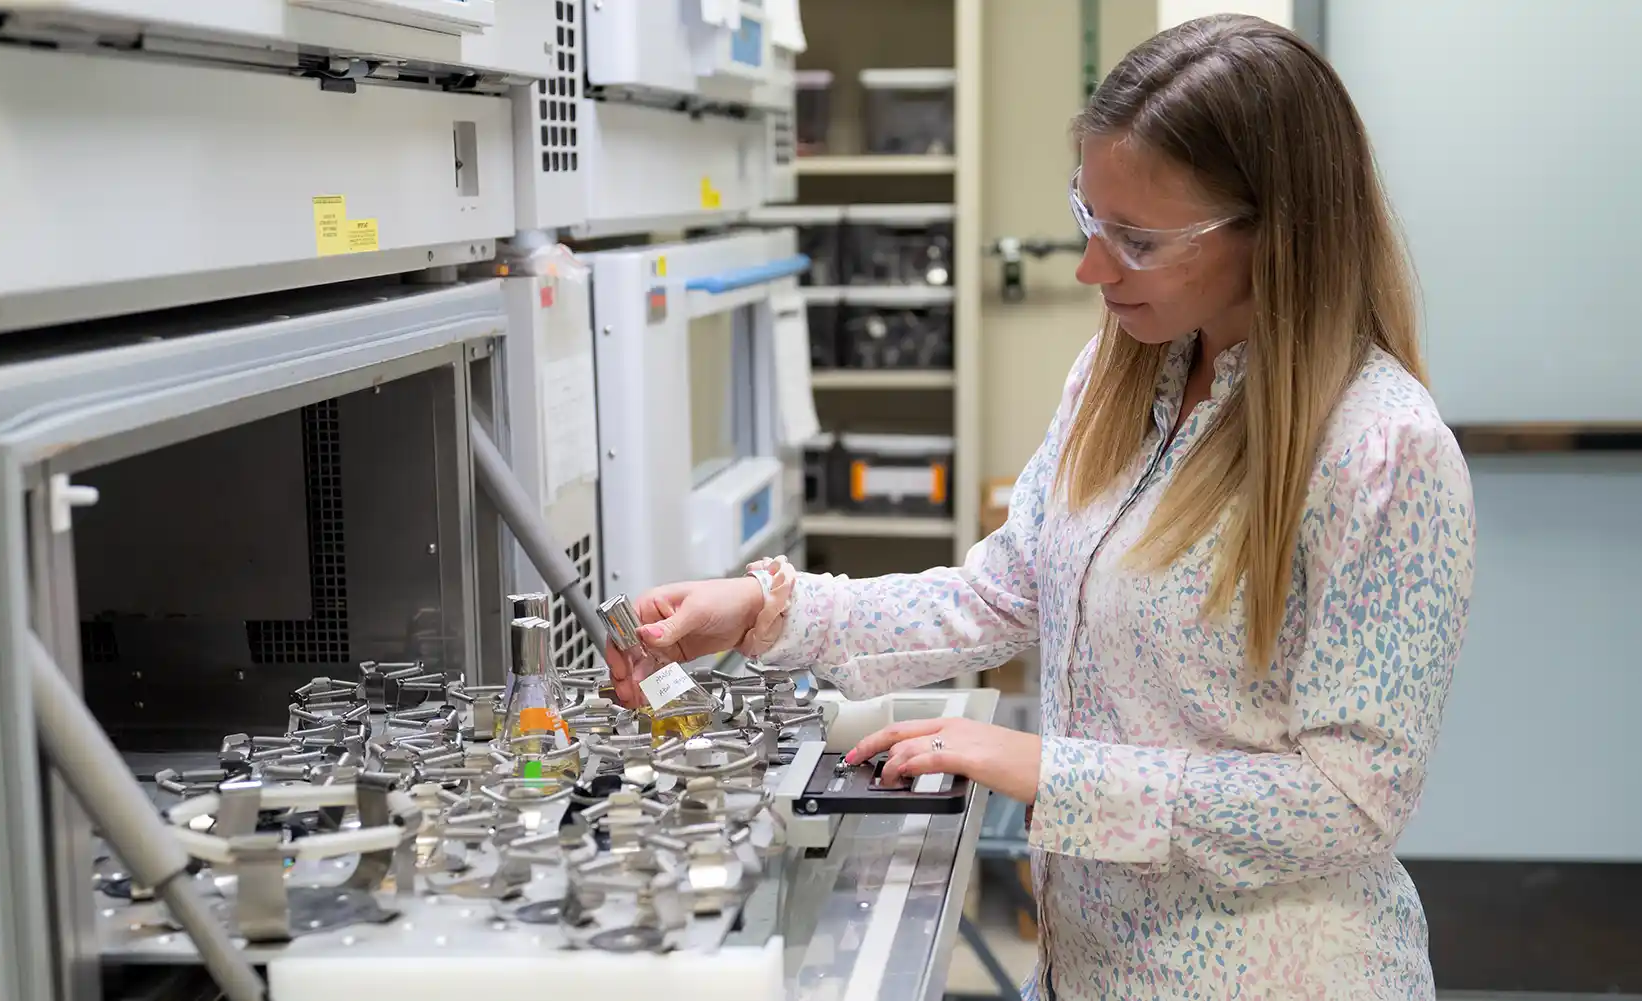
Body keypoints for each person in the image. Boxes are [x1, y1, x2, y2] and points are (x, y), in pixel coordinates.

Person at [605, 14, 1476, 999]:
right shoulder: (1123, 373)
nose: (1091, 269)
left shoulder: (1381, 453)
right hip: (1092, 963)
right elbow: (998, 591)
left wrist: (1046, 768)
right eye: (1089, 218)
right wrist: (768, 610)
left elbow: (1347, 805)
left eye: (1138, 239)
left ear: (1276, 229)